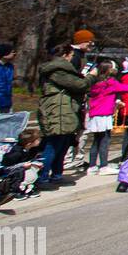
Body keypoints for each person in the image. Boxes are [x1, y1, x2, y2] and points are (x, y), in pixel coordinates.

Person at [35, 42, 89, 188]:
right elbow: (79, 85)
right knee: (53, 144)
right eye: (71, 55)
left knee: (63, 144)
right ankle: (43, 177)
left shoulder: (62, 70)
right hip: (57, 110)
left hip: (64, 109)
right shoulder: (58, 70)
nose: (72, 58)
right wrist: (91, 77)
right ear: (65, 55)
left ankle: (57, 174)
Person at [84, 60, 128, 174]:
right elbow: (126, 88)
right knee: (105, 139)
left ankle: (92, 166)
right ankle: (103, 165)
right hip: (104, 114)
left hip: (95, 114)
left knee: (96, 140)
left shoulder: (96, 83)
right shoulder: (110, 83)